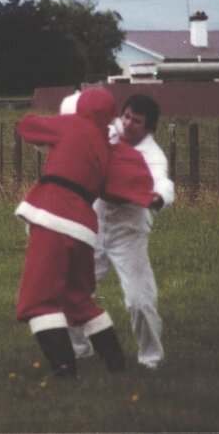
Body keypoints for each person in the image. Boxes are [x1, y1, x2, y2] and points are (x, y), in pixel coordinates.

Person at [14, 87, 154, 377]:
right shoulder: (108, 147)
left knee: (38, 299)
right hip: (85, 228)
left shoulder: (71, 124)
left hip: (53, 214)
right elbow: (118, 187)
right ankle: (115, 362)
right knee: (77, 298)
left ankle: (64, 369)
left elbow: (27, 127)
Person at [71, 93, 175, 369]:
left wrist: (158, 198)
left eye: (137, 121)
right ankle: (78, 348)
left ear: (149, 127)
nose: (128, 124)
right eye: (126, 116)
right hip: (94, 222)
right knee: (72, 287)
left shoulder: (153, 155)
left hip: (128, 230)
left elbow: (163, 183)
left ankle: (151, 357)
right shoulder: (108, 132)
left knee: (139, 300)